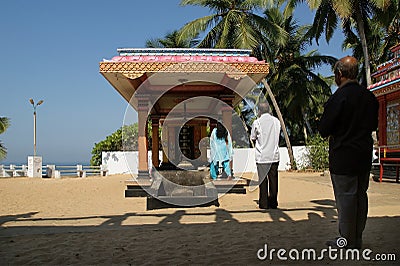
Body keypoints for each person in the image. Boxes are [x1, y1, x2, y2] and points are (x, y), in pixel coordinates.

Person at [318, 56, 379, 249]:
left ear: (339, 74)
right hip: (363, 155)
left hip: (343, 156)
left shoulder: (338, 98)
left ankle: (346, 240)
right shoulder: (369, 98)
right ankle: (357, 238)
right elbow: (373, 125)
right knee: (361, 197)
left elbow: (324, 129)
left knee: (345, 200)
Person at [250, 102, 281, 209]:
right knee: (273, 180)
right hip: (274, 156)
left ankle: (263, 203)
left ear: (259, 111)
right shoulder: (276, 121)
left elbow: (253, 137)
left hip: (262, 157)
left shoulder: (257, 123)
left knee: (263, 181)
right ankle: (273, 202)